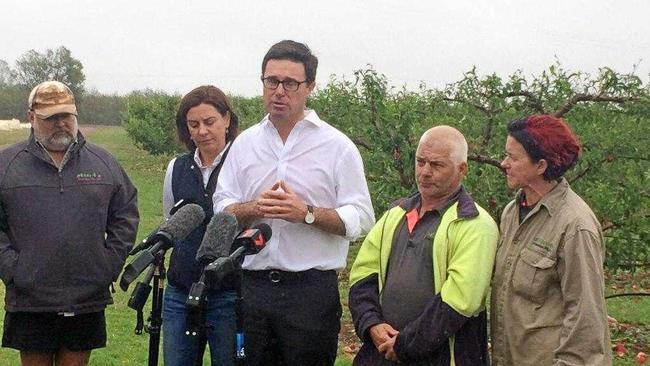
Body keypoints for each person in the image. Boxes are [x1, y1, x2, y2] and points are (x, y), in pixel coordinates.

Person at [213, 40, 375, 365]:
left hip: (310, 294)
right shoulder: (244, 145)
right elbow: (222, 207)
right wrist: (255, 208)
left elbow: (361, 218)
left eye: (290, 83)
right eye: (271, 81)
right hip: (254, 288)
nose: (279, 91)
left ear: (310, 87)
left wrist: (307, 214)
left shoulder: (337, 147)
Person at [0, 81, 139, 365]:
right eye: (50, 118)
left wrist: (107, 264)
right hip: (31, 298)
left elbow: (126, 213)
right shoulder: (8, 164)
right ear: (31, 118)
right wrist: (14, 268)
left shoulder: (103, 162)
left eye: (66, 116)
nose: (60, 124)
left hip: (85, 296)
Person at [348, 126, 499, 365]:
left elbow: (458, 302)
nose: (425, 172)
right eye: (420, 162)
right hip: (381, 352)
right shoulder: (395, 214)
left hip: (441, 356)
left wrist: (404, 345)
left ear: (463, 169)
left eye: (436, 165)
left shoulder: (475, 224)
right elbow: (362, 275)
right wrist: (372, 324)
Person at [490, 115, 612, 365]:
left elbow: (585, 320)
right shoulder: (512, 213)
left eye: (513, 158)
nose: (504, 163)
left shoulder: (575, 226)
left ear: (541, 166)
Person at [161, 85, 239, 366]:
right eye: (193, 125)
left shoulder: (244, 164)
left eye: (209, 122)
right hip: (181, 290)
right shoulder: (177, 168)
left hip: (228, 293)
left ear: (227, 120)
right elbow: (171, 221)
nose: (202, 131)